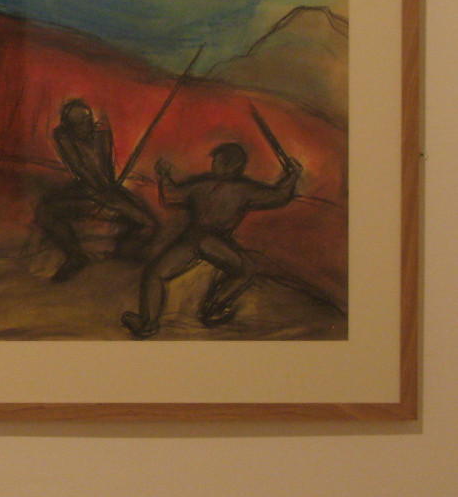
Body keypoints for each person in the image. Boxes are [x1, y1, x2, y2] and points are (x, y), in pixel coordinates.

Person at [121, 142, 301, 338]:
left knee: (154, 273)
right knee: (247, 269)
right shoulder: (244, 189)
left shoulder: (205, 186)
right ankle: (213, 309)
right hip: (209, 240)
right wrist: (293, 175)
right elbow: (280, 196)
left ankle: (148, 323)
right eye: (216, 161)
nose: (214, 165)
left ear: (233, 165)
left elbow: (170, 196)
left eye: (219, 162)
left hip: (195, 239)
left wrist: (164, 175)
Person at [34, 98, 158, 281]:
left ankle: (124, 252)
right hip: (85, 190)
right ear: (70, 128)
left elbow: (105, 174)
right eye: (81, 123)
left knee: (149, 225)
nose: (88, 125)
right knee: (45, 213)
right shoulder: (64, 138)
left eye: (89, 119)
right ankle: (75, 256)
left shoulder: (102, 136)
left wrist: (108, 195)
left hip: (106, 189)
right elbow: (81, 170)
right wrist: (100, 194)